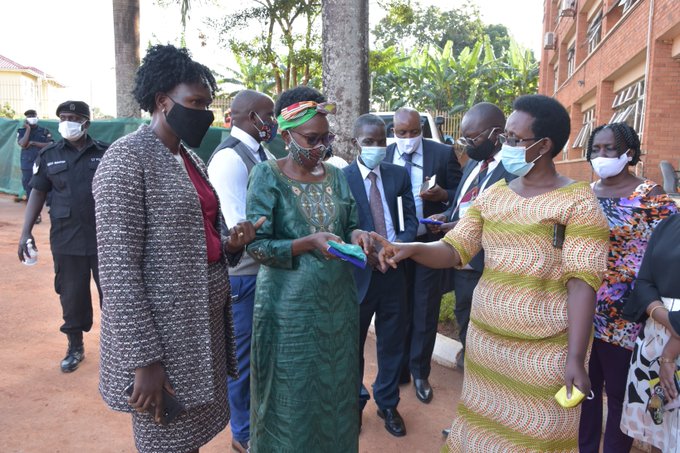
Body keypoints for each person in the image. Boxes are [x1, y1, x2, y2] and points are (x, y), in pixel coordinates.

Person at [373, 94, 610, 452]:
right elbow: (454, 249)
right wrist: (410, 250)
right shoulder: (495, 195)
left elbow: (582, 283)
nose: (506, 146)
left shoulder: (578, 202)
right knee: (482, 435)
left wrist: (576, 358)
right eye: (505, 139)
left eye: (515, 140)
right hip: (486, 347)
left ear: (544, 145)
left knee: (534, 440)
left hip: (544, 355)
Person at [93, 44, 261, 453]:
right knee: (164, 439)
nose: (204, 113)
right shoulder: (126, 160)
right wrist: (144, 360)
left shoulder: (187, 156)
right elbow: (119, 270)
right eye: (195, 102)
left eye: (207, 103)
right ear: (161, 101)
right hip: (162, 339)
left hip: (199, 326)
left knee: (189, 437)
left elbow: (195, 234)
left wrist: (230, 244)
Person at [246, 85, 371, 452]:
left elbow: (349, 224)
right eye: (312, 138)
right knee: (292, 395)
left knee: (336, 390)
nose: (320, 146)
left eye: (325, 138)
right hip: (289, 313)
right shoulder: (267, 176)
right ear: (286, 135)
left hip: (338, 309)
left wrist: (359, 234)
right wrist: (308, 242)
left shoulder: (335, 175)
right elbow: (256, 245)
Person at [579, 123, 677, 452]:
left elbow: (671, 249)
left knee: (620, 393)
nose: (601, 155)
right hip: (583, 308)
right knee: (585, 389)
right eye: (596, 149)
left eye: (609, 149)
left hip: (628, 314)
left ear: (629, 153)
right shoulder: (585, 193)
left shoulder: (650, 196)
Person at [207, 89, 277, 453]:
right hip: (243, 275)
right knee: (243, 358)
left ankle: (255, 424)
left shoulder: (257, 152)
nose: (274, 122)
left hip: (260, 271)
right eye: (270, 115)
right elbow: (238, 226)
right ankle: (243, 434)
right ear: (251, 116)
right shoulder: (230, 159)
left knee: (261, 354)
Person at [17, 100, 107, 373]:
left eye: (72, 117)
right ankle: (75, 347)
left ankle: (120, 351)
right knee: (71, 295)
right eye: (62, 117)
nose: (66, 122)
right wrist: (25, 232)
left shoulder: (105, 152)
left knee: (115, 297)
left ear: (85, 123)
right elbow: (38, 192)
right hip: (66, 238)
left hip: (105, 239)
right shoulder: (49, 155)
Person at [343, 114, 418, 437]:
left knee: (392, 342)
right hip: (358, 277)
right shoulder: (341, 178)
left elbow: (410, 220)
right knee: (352, 345)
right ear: (355, 143)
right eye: (368, 142)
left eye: (381, 141)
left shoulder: (398, 176)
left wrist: (395, 248)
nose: (376, 147)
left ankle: (387, 402)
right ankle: (354, 403)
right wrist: (367, 255)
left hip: (394, 273)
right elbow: (339, 228)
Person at [428, 102, 515, 373]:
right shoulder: (474, 165)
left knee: (491, 324)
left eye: (472, 138)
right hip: (462, 261)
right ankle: (470, 359)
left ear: (496, 134)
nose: (466, 145)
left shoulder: (514, 171)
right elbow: (463, 200)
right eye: (464, 138)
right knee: (464, 312)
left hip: (490, 263)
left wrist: (462, 226)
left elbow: (510, 217)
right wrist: (446, 215)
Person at [385, 107, 462, 403]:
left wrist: (442, 195)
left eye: (413, 132)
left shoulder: (442, 155)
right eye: (400, 132)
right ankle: (401, 367)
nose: (407, 138)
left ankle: (420, 372)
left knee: (425, 310)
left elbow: (463, 193)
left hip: (429, 245)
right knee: (398, 309)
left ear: (421, 129)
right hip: (397, 246)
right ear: (393, 131)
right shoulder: (386, 154)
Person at [620, 214, 680, 452]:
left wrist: (670, 352)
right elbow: (644, 281)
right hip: (656, 337)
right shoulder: (668, 225)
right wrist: (665, 318)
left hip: (669, 345)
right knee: (659, 432)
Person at [15, 109, 53, 221]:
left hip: (42, 163)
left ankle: (52, 209)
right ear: (26, 118)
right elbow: (22, 144)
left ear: (37, 117)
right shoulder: (21, 131)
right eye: (30, 116)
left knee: (49, 186)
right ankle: (36, 215)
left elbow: (50, 144)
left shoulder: (44, 131)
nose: (32, 117)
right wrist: (27, 130)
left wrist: (34, 143)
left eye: (34, 115)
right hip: (27, 164)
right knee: (29, 188)